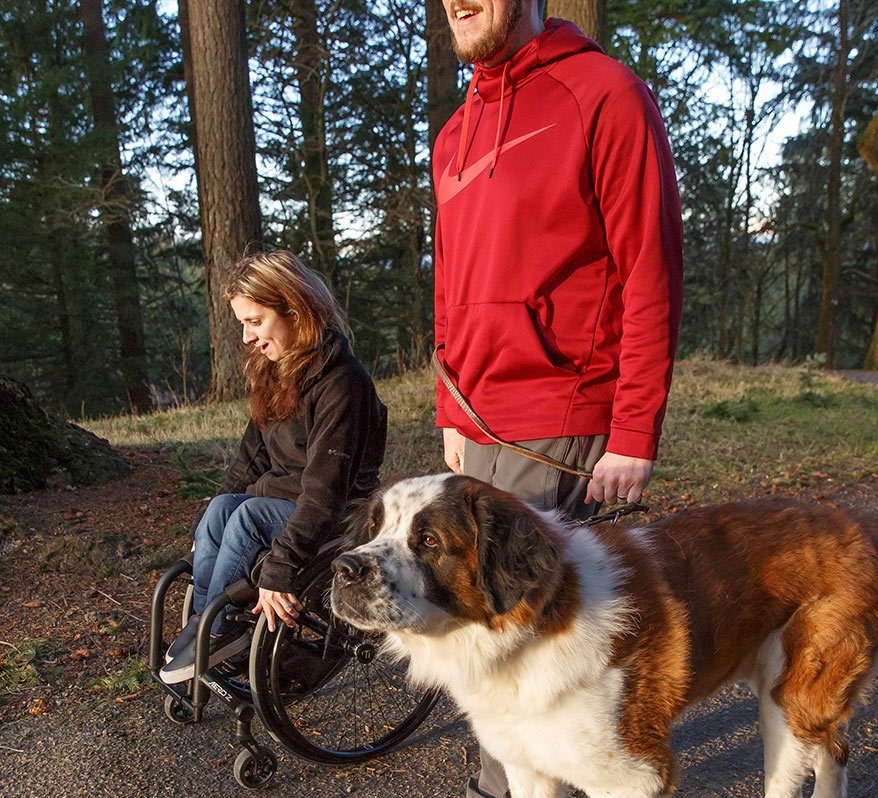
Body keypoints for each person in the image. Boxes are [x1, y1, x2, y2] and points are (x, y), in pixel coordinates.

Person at [430, 3, 683, 796]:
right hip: (474, 428)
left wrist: (634, 428)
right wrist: (449, 407)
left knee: (535, 668)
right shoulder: (454, 131)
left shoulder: (603, 94)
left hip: (561, 423)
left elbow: (651, 271)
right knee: (484, 656)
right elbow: (452, 284)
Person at [159, 250, 387, 685]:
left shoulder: (342, 383)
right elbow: (251, 460)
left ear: (295, 311)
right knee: (224, 506)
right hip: (286, 501)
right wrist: (209, 526)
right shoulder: (276, 373)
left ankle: (218, 629)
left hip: (339, 511)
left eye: (255, 321)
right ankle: (204, 629)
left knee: (246, 515)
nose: (247, 337)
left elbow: (326, 491)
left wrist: (279, 570)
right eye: (243, 323)